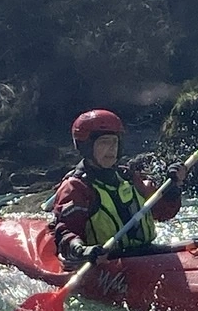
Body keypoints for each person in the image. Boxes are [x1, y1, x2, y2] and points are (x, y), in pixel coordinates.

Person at [50, 109, 189, 268]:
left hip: (144, 255)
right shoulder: (76, 188)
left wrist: (173, 189)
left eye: (115, 142)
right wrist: (82, 250)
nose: (111, 149)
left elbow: (163, 212)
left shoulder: (128, 177)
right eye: (104, 142)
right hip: (104, 262)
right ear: (86, 147)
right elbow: (65, 233)